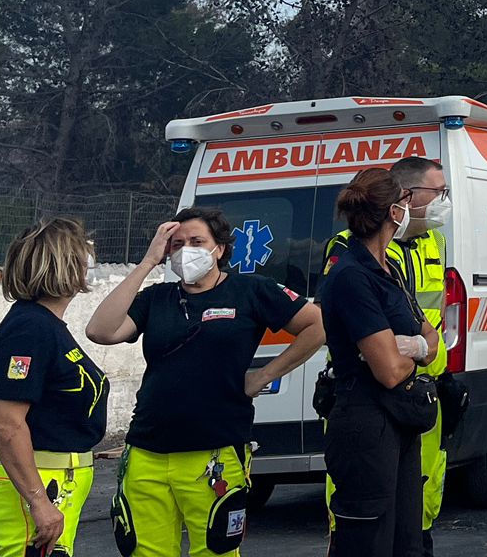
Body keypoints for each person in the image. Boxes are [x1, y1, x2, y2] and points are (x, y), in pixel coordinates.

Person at [86, 207, 325, 555]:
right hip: (148, 451)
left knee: (216, 551)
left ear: (220, 248)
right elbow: (100, 331)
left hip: (215, 452)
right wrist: (148, 262)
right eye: (177, 244)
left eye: (197, 241)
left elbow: (316, 325)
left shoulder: (250, 291)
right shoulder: (157, 298)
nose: (187, 250)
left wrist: (265, 375)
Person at [320, 156, 451, 555]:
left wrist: (410, 345)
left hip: (400, 423)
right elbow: (390, 370)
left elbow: (429, 337)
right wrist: (413, 347)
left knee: (405, 542)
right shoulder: (350, 274)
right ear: (396, 211)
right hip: (366, 425)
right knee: (368, 543)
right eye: (406, 203)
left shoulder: (387, 270)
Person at [0, 218, 111, 556]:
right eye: (84, 255)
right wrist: (39, 501)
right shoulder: (29, 329)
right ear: (64, 265)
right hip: (39, 487)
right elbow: (6, 423)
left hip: (56, 483)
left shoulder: (44, 326)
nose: (89, 263)